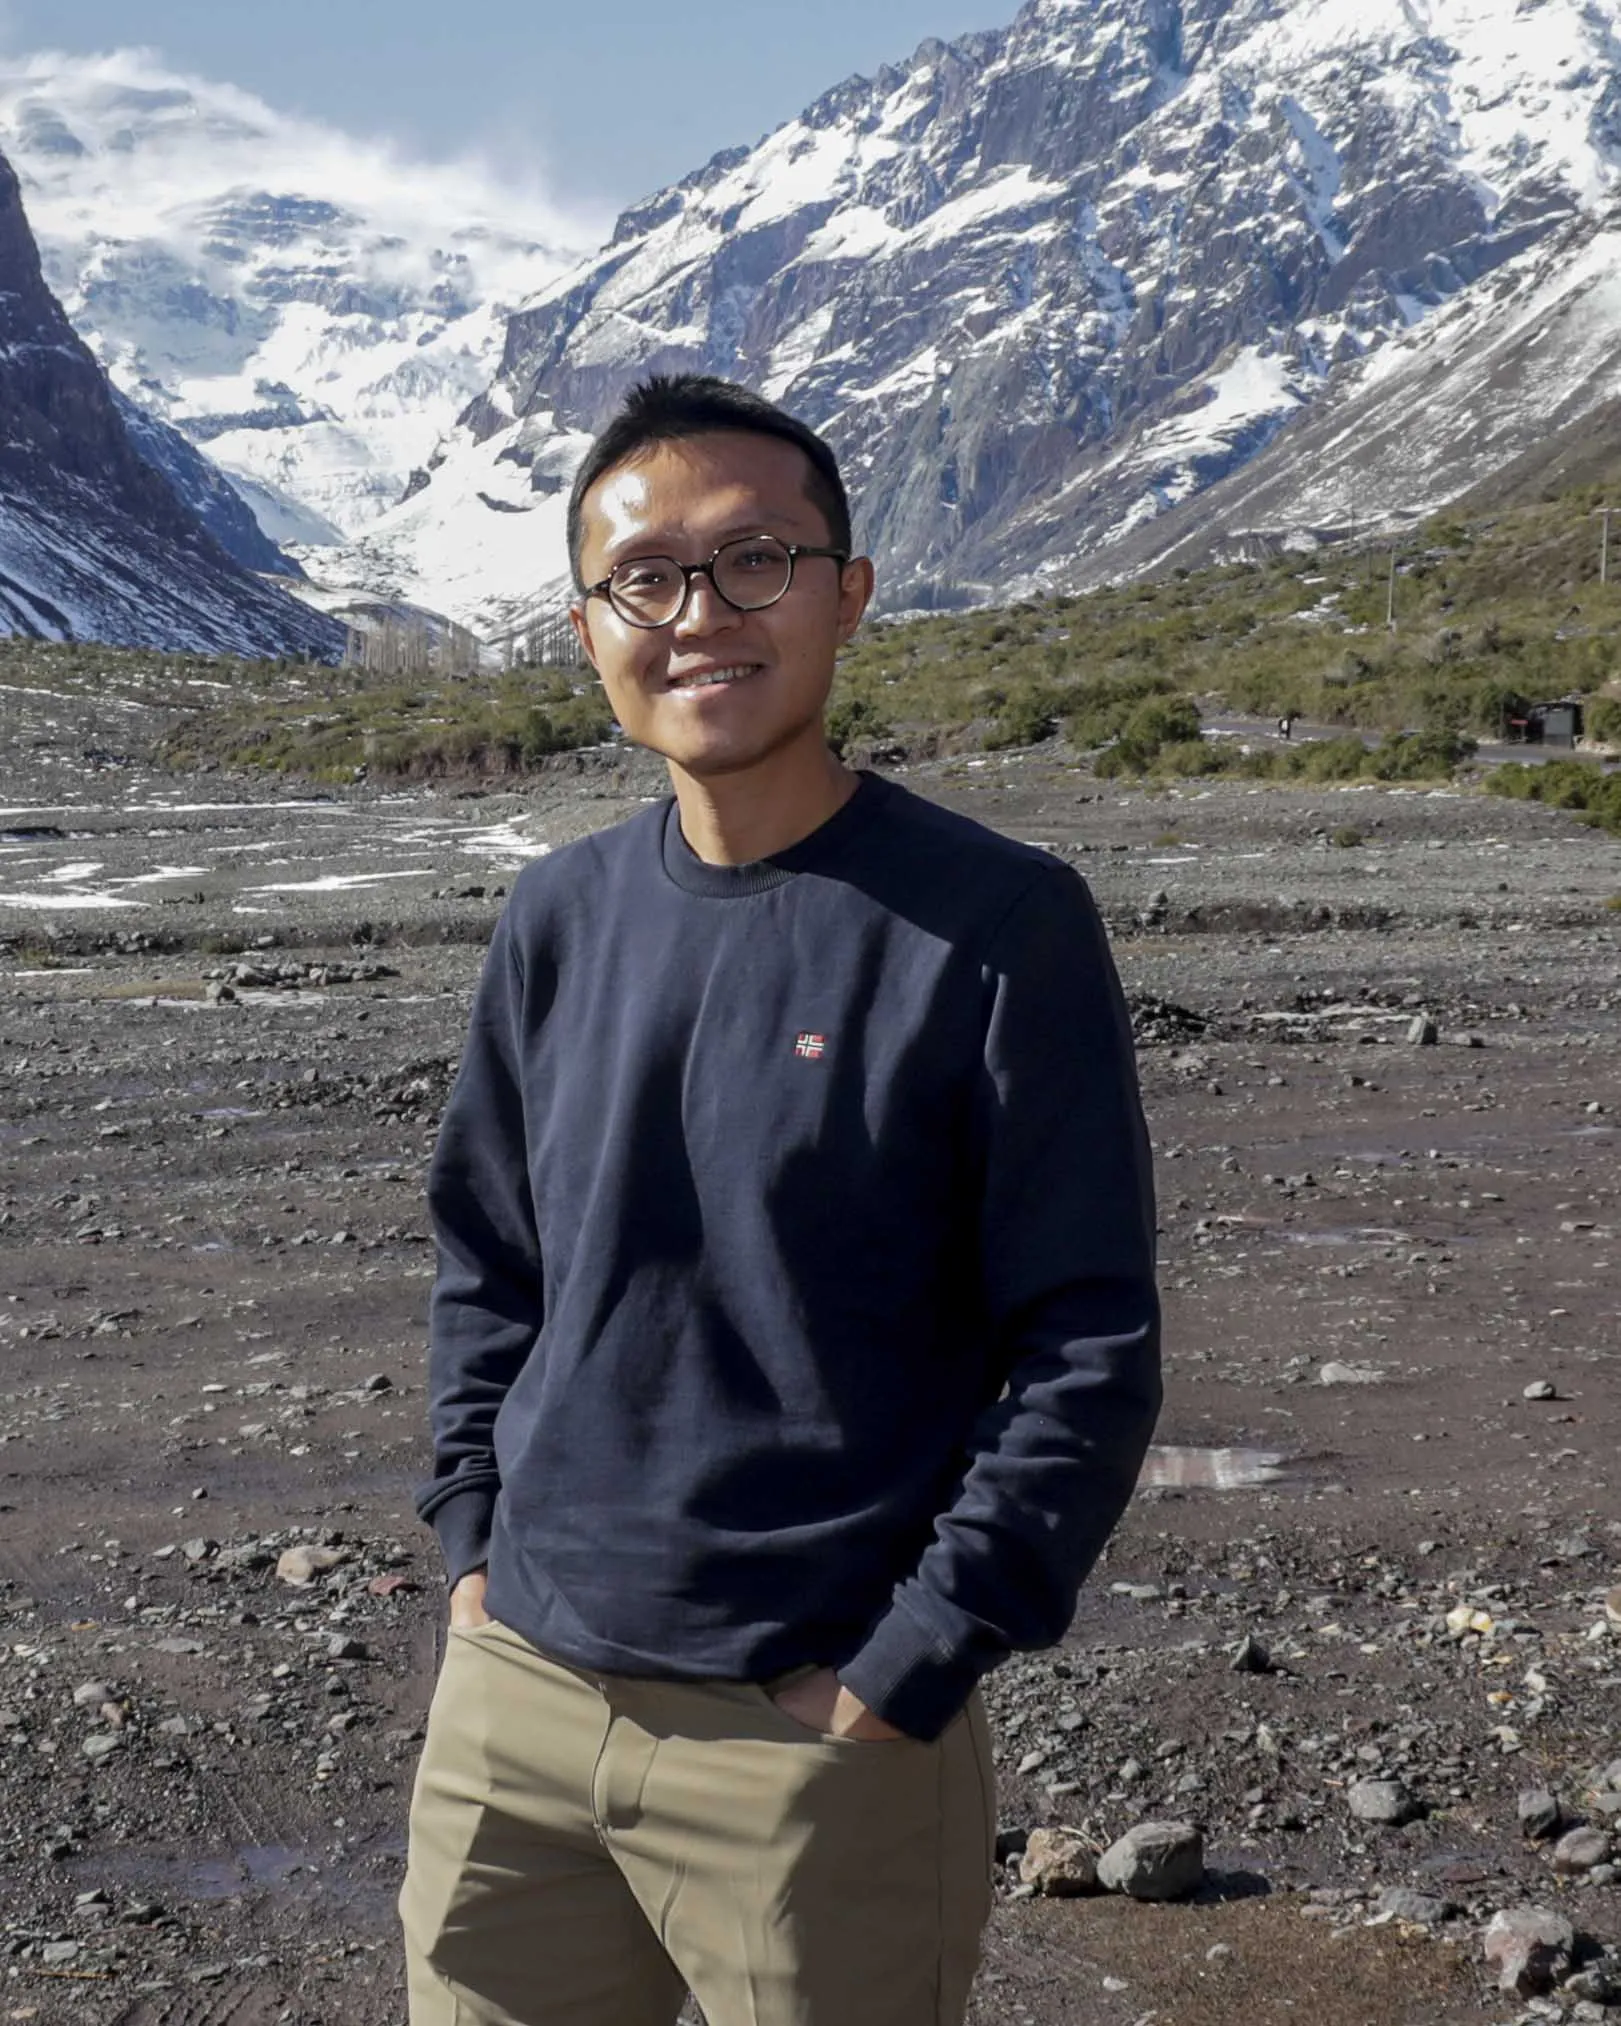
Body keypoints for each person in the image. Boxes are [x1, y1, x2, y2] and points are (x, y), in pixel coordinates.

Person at [400, 373, 1162, 2026]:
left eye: (754, 560)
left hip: (811, 1730)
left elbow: (1087, 1343)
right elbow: (489, 1260)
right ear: (589, 628)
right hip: (516, 1700)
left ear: (848, 591)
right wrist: (471, 1545)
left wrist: (908, 1667)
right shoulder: (557, 916)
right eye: (645, 578)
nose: (699, 615)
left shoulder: (997, 924)